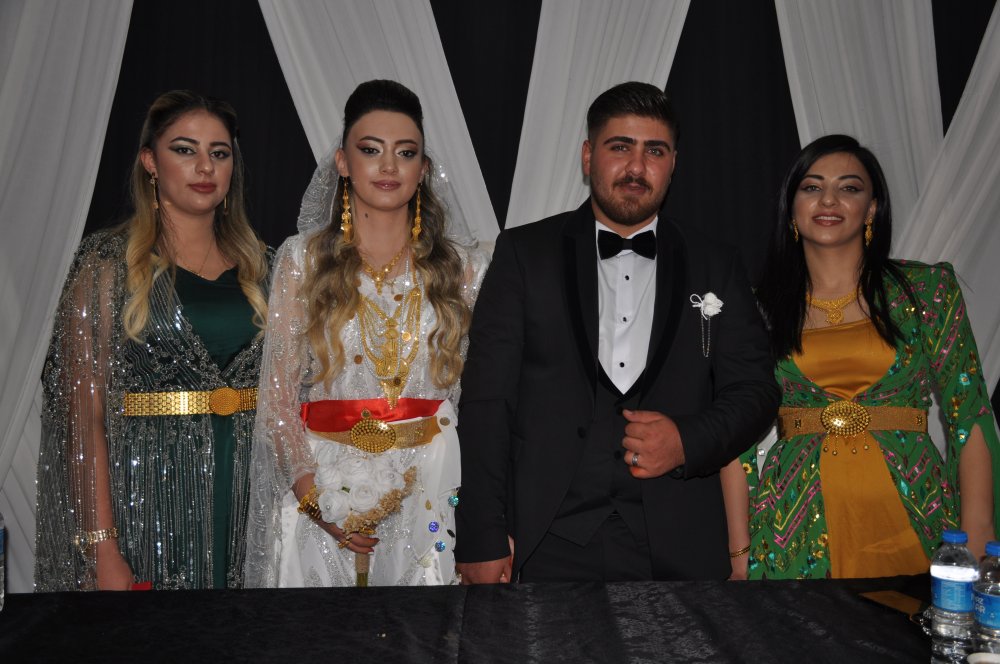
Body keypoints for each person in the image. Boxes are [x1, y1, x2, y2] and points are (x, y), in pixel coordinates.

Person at [454, 81, 779, 583]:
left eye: (655, 151)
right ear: (589, 157)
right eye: (620, 147)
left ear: (674, 163)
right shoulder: (524, 254)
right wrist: (482, 534)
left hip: (679, 542)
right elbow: (486, 402)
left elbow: (756, 392)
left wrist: (685, 441)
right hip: (543, 542)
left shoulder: (716, 263)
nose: (636, 167)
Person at [244, 80, 489, 588]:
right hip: (322, 491)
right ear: (342, 162)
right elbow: (277, 400)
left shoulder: (465, 269)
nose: (389, 166)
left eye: (406, 152)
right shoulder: (302, 260)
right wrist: (316, 499)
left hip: (431, 491)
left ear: (423, 169)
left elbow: (484, 403)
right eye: (371, 150)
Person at [34, 90, 271, 590]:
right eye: (185, 150)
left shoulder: (267, 267)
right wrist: (101, 545)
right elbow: (83, 415)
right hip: (150, 503)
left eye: (219, 153)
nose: (205, 167)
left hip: (255, 502)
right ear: (150, 162)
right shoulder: (107, 265)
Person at [739, 134, 1000, 579]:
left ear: (873, 208)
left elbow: (969, 413)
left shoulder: (928, 291)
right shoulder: (757, 308)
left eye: (849, 187)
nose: (829, 199)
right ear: (792, 208)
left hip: (917, 512)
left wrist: (978, 531)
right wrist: (740, 547)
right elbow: (737, 431)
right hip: (792, 526)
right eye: (812, 186)